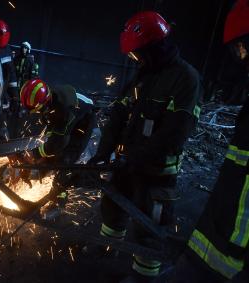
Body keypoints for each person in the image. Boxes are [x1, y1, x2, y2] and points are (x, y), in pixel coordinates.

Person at [88, 11, 203, 282]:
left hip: (156, 172)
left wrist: (135, 158)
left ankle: (143, 276)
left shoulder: (186, 78)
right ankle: (108, 248)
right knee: (113, 209)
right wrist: (102, 155)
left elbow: (174, 133)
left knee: (149, 226)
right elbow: (118, 117)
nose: (135, 60)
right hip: (125, 165)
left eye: (138, 54)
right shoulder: (143, 75)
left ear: (154, 47)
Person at [173, 1, 249, 282]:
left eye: (244, 48)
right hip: (218, 238)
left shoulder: (186, 79)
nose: (243, 58)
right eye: (239, 51)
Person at [13, 79, 95, 199]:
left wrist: (35, 154)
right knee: (49, 151)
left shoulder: (64, 110)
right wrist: (40, 157)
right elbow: (52, 137)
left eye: (38, 110)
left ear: (44, 103)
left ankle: (60, 198)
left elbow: (57, 144)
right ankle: (46, 172)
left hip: (84, 121)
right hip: (67, 115)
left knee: (65, 159)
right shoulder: (50, 99)